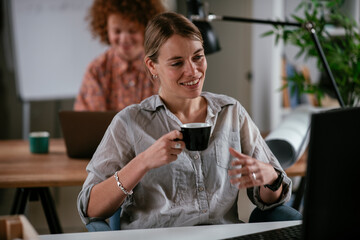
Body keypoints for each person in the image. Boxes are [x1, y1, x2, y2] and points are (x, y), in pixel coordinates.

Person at [77, 12, 301, 230]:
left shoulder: (231, 112)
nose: (192, 71)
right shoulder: (129, 122)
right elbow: (90, 208)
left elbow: (270, 202)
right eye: (176, 63)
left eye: (198, 57)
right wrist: (143, 162)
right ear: (152, 66)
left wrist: (270, 178)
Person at [74, 0, 165, 111]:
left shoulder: (163, 65)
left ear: (146, 28)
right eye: (117, 31)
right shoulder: (97, 70)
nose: (124, 39)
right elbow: (88, 121)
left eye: (132, 31)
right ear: (105, 29)